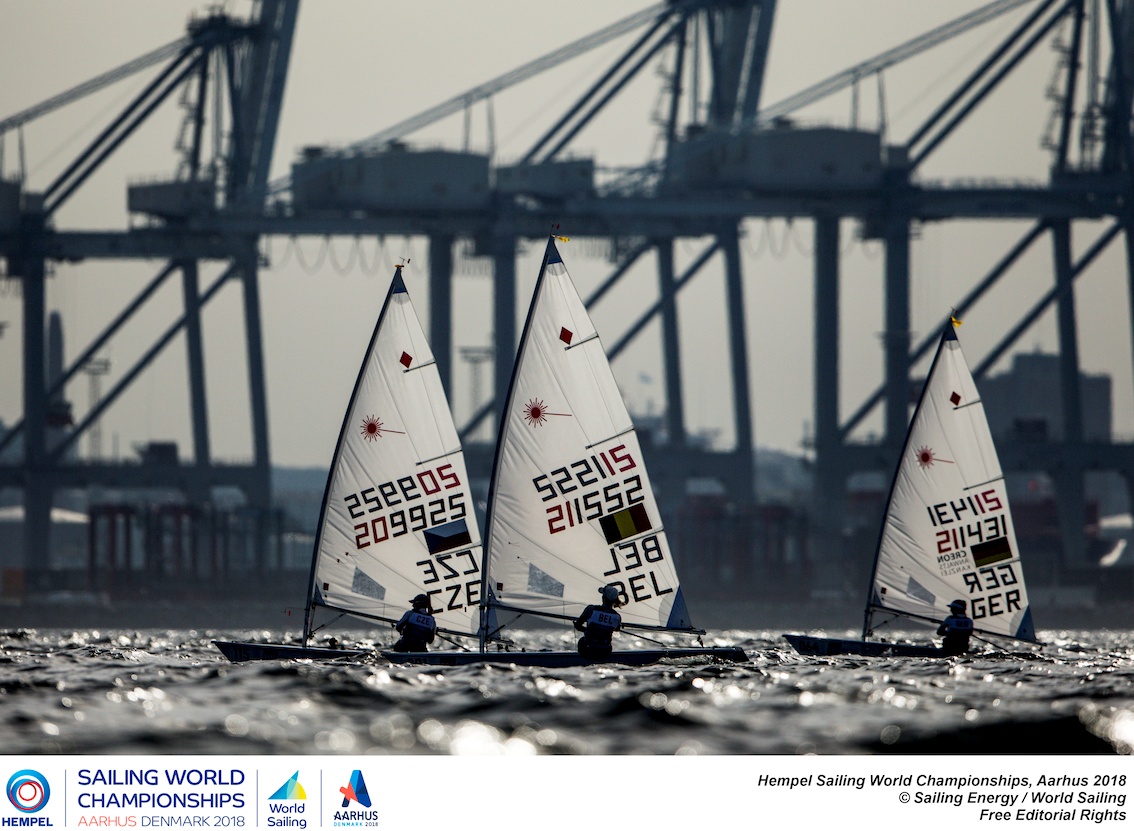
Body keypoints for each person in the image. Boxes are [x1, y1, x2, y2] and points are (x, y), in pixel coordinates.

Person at [574, 584, 623, 660]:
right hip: (605, 652)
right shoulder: (617, 617)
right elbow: (617, 629)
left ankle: (583, 660)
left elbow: (578, 626)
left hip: (588, 649)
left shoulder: (591, 609)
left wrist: (587, 630)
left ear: (603, 597)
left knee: (581, 641)